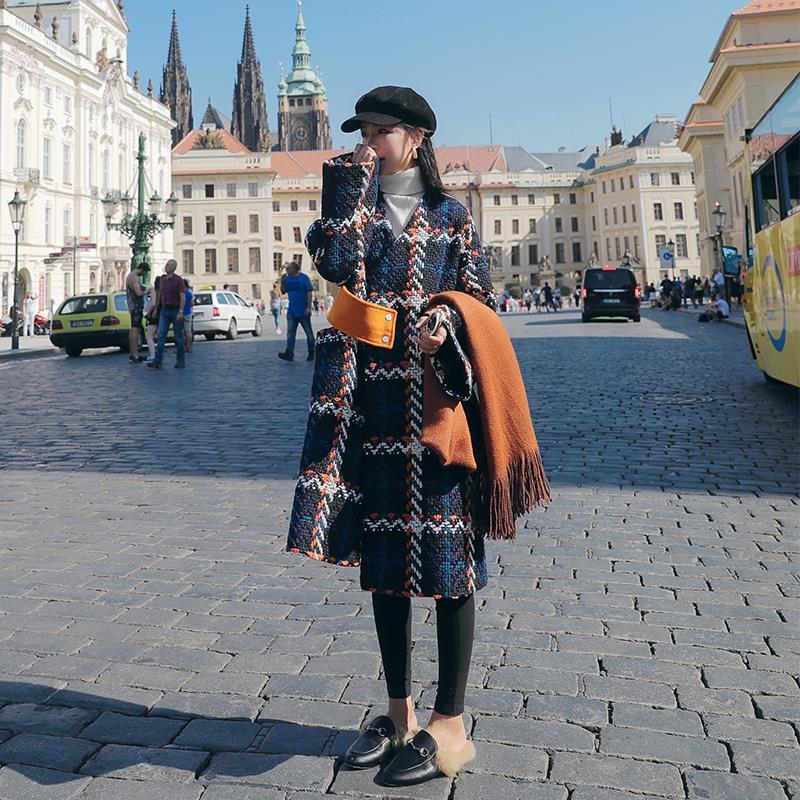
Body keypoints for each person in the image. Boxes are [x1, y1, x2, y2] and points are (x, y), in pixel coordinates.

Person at [285, 86, 549, 789]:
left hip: (435, 416)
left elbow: (480, 301)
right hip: (369, 414)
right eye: (362, 131)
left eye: (380, 130)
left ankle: (451, 723)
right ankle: (400, 714)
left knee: (450, 566)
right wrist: (345, 187)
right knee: (386, 568)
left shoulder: (450, 216)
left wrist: (448, 324)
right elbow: (336, 266)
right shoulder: (353, 212)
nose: (368, 141)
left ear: (418, 138)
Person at [148, 259, 185, 369]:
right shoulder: (162, 280)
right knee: (160, 336)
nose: (167, 266)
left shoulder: (178, 280)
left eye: (169, 265)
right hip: (164, 310)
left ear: (174, 267)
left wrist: (181, 311)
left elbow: (182, 296)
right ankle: (158, 360)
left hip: (175, 309)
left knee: (178, 337)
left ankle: (180, 360)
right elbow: (160, 296)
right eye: (167, 264)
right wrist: (156, 310)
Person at [277, 262, 315, 361]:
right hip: (292, 311)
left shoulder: (304, 278)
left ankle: (312, 353)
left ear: (294, 269)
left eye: (288, 268)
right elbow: (283, 291)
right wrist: (282, 281)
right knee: (290, 333)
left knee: (309, 333)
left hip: (303, 310)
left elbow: (309, 292)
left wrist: (309, 307)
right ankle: (289, 353)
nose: (286, 270)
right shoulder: (287, 278)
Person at [125, 262, 149, 362]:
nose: (144, 275)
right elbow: (138, 293)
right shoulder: (134, 277)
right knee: (136, 329)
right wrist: (147, 291)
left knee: (133, 329)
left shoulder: (129, 275)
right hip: (136, 306)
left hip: (132, 306)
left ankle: (132, 353)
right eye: (144, 273)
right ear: (142, 270)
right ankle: (135, 354)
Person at [144, 276, 161, 363]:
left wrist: (148, 313)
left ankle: (152, 355)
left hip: (154, 315)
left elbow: (153, 304)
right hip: (161, 315)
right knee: (159, 335)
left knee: (149, 336)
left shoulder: (154, 291)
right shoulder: (163, 291)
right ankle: (158, 354)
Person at [183, 279, 193, 353]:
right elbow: (192, 304)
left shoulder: (180, 293)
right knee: (188, 332)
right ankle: (189, 347)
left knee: (179, 332)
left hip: (180, 314)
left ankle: (181, 347)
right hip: (188, 313)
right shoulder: (189, 293)